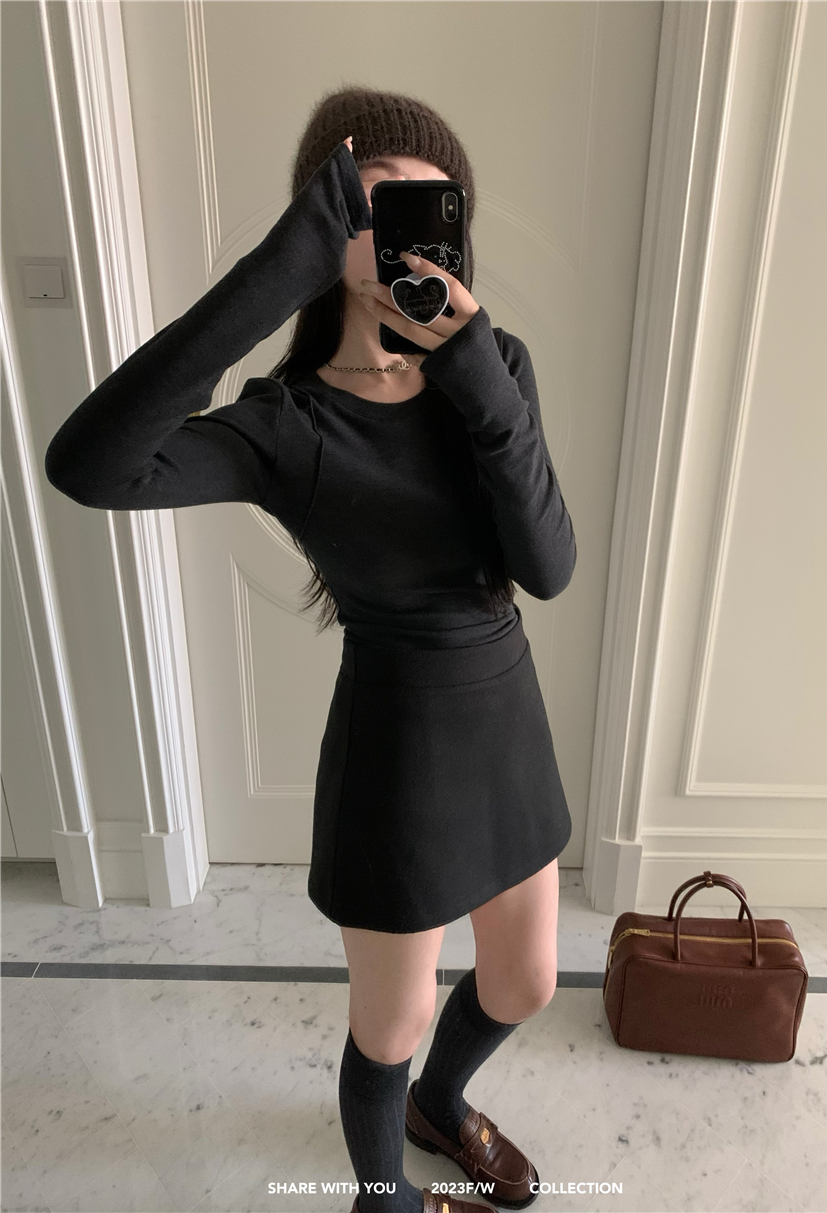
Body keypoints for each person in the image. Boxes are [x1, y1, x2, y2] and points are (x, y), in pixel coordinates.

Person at [44, 86, 577, 1213]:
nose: (406, 237)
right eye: (376, 209)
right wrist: (276, 274)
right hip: (399, 751)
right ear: (326, 226)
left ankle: (441, 1104)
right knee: (392, 1019)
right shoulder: (288, 422)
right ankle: (383, 1198)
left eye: (432, 208)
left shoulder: (496, 368)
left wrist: (472, 367)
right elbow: (90, 465)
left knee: (528, 980)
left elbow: (549, 565)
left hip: (507, 721)